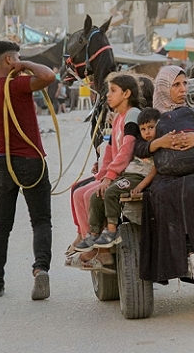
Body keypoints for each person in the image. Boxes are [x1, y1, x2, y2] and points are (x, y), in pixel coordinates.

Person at [0, 41, 56, 300]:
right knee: (40, 220)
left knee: (1, 225)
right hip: (32, 162)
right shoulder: (19, 85)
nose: (21, 62)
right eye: (18, 58)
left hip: (3, 165)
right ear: (10, 61)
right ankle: (40, 268)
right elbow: (49, 76)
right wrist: (27, 65)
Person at [134, 65, 194, 285]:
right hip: (167, 174)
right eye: (176, 85)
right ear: (164, 88)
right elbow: (139, 149)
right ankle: (187, 258)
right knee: (161, 195)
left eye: (184, 83)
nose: (183, 89)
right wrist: (158, 143)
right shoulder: (154, 117)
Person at [68, 107, 158, 269]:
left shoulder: (155, 145)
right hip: (127, 175)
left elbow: (153, 170)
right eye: (143, 129)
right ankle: (93, 234)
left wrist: (140, 186)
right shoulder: (139, 141)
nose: (147, 132)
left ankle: (111, 230)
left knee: (109, 192)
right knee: (97, 194)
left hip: (137, 179)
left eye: (151, 128)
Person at [68, 73, 142, 253]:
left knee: (89, 195)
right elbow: (109, 152)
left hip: (129, 173)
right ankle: (89, 238)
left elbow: (127, 149)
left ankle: (102, 252)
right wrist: (102, 176)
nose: (108, 95)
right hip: (117, 173)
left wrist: (109, 177)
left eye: (113, 90)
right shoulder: (118, 118)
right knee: (78, 193)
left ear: (126, 94)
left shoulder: (132, 114)